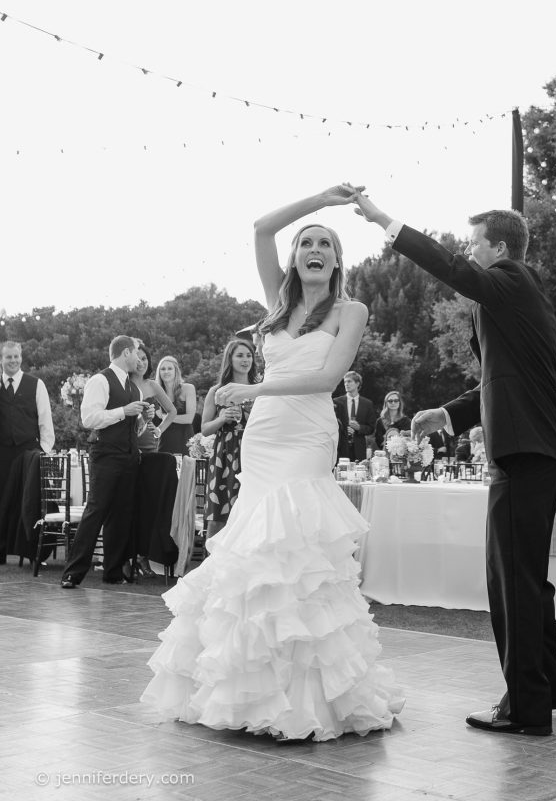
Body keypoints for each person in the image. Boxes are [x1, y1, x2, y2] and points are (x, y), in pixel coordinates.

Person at [142, 185, 403, 740]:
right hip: (263, 440)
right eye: (305, 242)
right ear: (295, 258)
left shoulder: (350, 311)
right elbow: (262, 227)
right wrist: (323, 202)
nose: (313, 247)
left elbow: (327, 380)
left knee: (299, 549)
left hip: (306, 436)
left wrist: (256, 390)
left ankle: (311, 694)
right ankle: (246, 681)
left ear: (336, 261)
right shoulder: (276, 307)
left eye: (324, 244)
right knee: (256, 550)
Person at [352, 190, 556, 736]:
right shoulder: (515, 298)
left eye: (474, 242)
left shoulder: (512, 280)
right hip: (531, 450)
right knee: (524, 578)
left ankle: (526, 706)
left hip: (524, 453)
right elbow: (501, 379)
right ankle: (549, 686)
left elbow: (450, 269)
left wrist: (385, 219)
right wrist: (446, 412)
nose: (467, 251)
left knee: (511, 582)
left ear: (498, 248)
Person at [61, 336, 146, 587]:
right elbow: (89, 419)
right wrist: (124, 411)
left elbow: (135, 429)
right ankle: (72, 573)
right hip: (106, 455)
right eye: (138, 354)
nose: (140, 360)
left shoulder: (135, 388)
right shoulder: (100, 380)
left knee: (122, 515)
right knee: (96, 511)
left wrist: (143, 418)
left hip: (130, 456)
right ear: (126, 353)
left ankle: (113, 572)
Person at [0, 340, 55, 562]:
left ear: (21, 357)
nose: (13, 360)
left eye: (16, 356)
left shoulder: (36, 384)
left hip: (28, 453)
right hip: (2, 453)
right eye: (8, 357)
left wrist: (43, 451)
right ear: (1, 359)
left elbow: (45, 421)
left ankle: (33, 551)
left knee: (30, 502)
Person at [201, 338, 257, 539]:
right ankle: (213, 563)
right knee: (220, 513)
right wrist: (222, 418)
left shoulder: (259, 390)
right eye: (240, 355)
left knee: (252, 512)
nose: (245, 360)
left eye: (249, 355)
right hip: (225, 455)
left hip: (254, 455)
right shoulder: (217, 391)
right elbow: (205, 429)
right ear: (230, 359)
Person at [131, 342, 177, 577]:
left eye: (145, 358)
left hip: (150, 447)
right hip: (128, 448)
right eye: (137, 358)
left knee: (149, 504)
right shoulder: (124, 384)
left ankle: (144, 556)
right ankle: (130, 555)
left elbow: (172, 411)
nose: (142, 362)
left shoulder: (151, 385)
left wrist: (159, 429)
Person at [155, 356, 196, 456]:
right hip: (165, 442)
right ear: (159, 372)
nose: (166, 372)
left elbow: (189, 418)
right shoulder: (156, 393)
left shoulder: (188, 388)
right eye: (163, 369)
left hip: (185, 440)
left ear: (176, 371)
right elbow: (158, 422)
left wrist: (166, 417)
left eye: (170, 368)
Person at [333, 371, 376, 461]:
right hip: (340, 447)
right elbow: (331, 424)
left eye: (349, 381)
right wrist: (343, 429)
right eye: (345, 382)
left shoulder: (367, 404)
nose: (346, 384)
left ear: (357, 383)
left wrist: (359, 428)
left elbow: (371, 428)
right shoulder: (336, 402)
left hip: (359, 448)